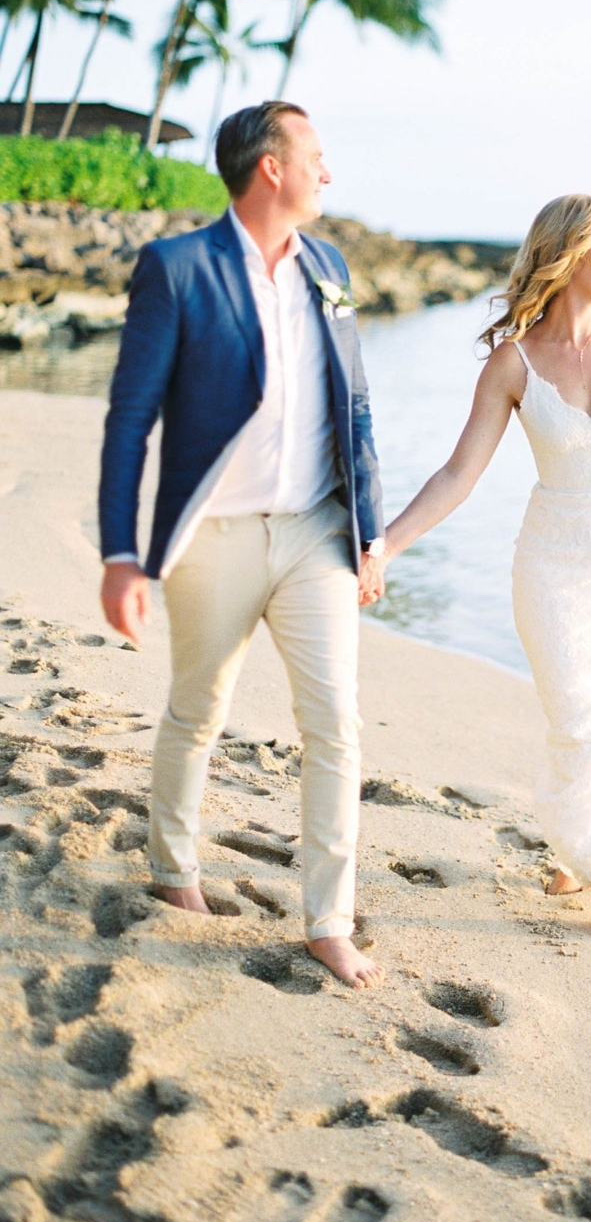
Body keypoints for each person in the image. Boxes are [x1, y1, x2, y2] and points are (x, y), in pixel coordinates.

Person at [379, 193, 591, 955]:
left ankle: (583, 851)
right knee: (579, 720)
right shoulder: (515, 362)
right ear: (571, 252)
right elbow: (456, 474)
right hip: (555, 570)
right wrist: (386, 547)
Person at [97, 101, 387, 989]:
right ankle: (174, 871)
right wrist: (120, 555)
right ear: (273, 167)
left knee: (335, 722)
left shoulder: (330, 267)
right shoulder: (178, 269)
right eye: (316, 157)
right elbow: (131, 419)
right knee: (198, 707)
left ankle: (328, 920)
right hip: (212, 535)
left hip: (316, 535)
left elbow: (357, 408)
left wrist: (371, 533)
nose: (327, 174)